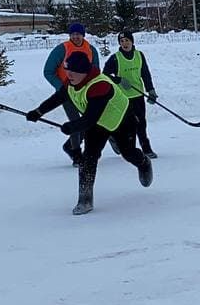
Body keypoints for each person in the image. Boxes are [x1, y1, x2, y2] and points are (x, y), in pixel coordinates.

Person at [26, 51, 153, 215]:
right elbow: (58, 98)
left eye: (73, 71)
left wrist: (71, 127)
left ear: (85, 72)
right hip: (98, 123)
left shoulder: (100, 85)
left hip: (121, 119)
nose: (69, 74)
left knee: (127, 152)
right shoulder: (72, 82)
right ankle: (85, 200)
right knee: (89, 158)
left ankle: (144, 163)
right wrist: (38, 112)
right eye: (67, 70)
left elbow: (89, 119)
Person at [42, 22, 100, 166]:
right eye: (73, 34)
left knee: (91, 121)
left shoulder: (91, 50)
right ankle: (76, 154)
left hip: (85, 92)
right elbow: (48, 71)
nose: (76, 37)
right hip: (67, 93)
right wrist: (61, 88)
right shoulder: (61, 49)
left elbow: (96, 71)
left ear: (83, 35)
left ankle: (74, 147)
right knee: (75, 122)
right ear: (69, 35)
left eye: (78, 34)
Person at [103, 28, 158, 159]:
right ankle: (120, 143)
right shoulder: (115, 58)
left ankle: (146, 148)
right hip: (122, 98)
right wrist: (119, 80)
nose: (124, 43)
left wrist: (151, 90)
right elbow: (104, 75)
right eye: (122, 41)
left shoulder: (139, 55)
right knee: (127, 125)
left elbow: (145, 74)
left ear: (132, 42)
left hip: (138, 95)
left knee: (141, 123)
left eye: (127, 40)